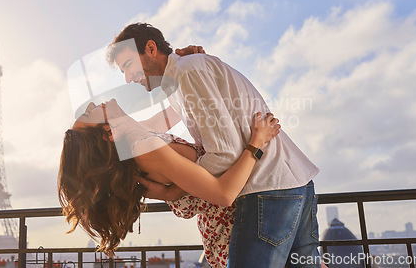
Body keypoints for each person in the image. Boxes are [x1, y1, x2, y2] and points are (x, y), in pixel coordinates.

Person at [107, 23, 321, 267]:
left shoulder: (187, 72)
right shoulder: (182, 77)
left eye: (128, 65)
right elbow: (155, 124)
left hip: (268, 188)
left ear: (151, 48)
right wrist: (115, 123)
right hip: (293, 182)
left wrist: (178, 188)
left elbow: (223, 154)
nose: (127, 78)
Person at [58, 99, 281, 262]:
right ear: (107, 133)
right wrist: (257, 143)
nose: (91, 105)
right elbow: (224, 194)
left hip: (241, 221)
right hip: (234, 229)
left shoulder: (136, 136)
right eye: (89, 114)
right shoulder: (142, 149)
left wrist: (188, 67)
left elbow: (177, 109)